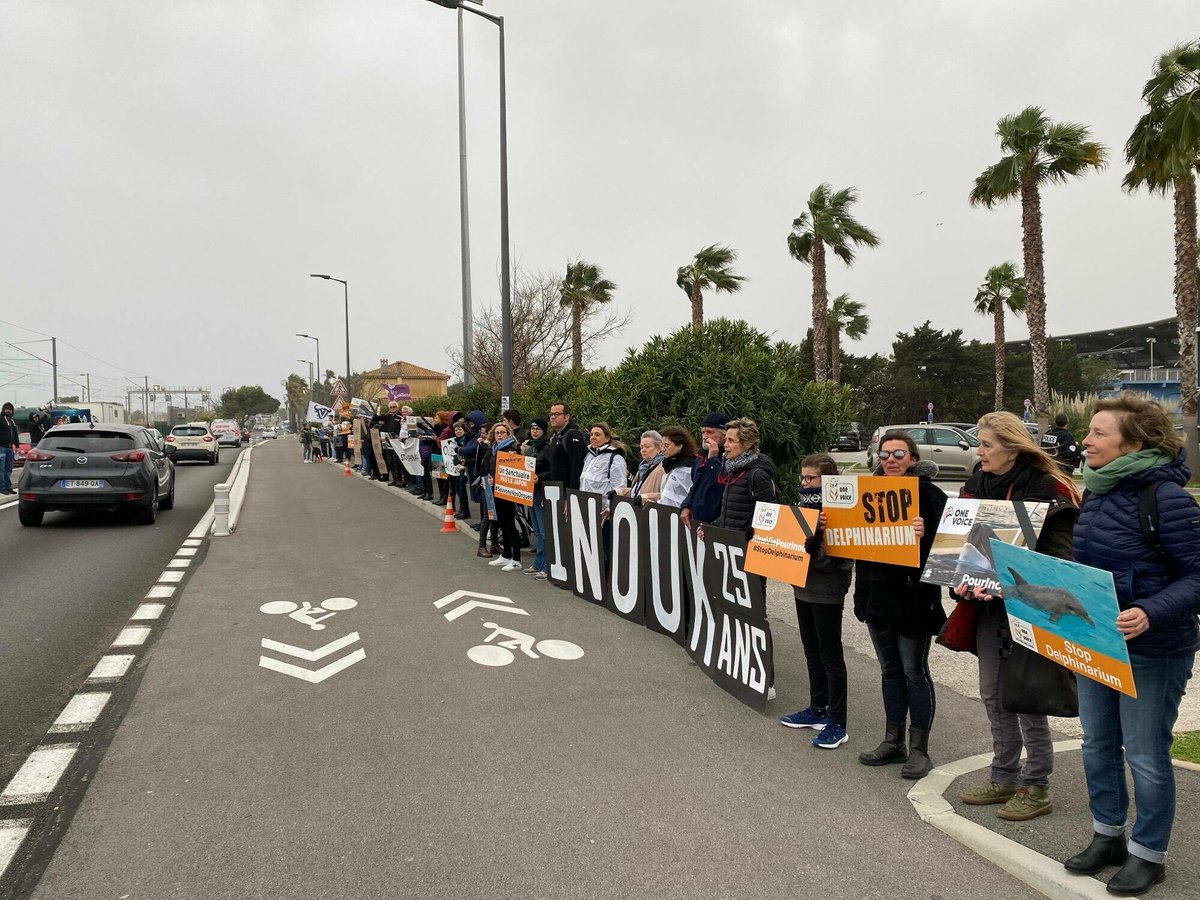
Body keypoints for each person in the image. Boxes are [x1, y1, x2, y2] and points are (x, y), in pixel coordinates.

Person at [1063, 394, 1200, 895]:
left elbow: (1197, 576)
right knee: (1097, 742)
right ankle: (1108, 835)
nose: (1086, 440)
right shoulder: (1097, 490)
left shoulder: (1166, 498)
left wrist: (1150, 611)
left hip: (1154, 649)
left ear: (1135, 442)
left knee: (1144, 753)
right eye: (1089, 431)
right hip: (1098, 638)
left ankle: (1148, 854)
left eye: (1099, 432)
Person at [953, 412, 1080, 821]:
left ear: (1011, 445)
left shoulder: (1048, 488)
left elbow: (1063, 557)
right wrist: (957, 577)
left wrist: (1016, 575)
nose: (979, 451)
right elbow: (956, 546)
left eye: (987, 444)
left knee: (1027, 697)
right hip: (987, 609)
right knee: (993, 694)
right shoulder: (977, 484)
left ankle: (1036, 784)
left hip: (1028, 608)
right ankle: (1004, 776)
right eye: (979, 443)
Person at [854, 430, 947, 780]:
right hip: (878, 597)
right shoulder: (866, 493)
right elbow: (856, 548)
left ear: (913, 458)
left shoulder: (929, 495)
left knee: (914, 671)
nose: (890, 459)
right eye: (885, 453)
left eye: (899, 454)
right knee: (890, 671)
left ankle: (920, 749)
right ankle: (893, 740)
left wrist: (927, 535)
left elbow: (948, 550)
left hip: (913, 599)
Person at [780, 453, 854, 750]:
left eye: (810, 478)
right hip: (803, 587)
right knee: (812, 651)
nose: (804, 483)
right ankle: (818, 708)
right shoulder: (801, 509)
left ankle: (838, 722)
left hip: (827, 592)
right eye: (802, 477)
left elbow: (840, 562)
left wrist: (817, 547)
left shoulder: (841, 511)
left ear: (827, 480)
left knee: (830, 655)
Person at [712, 418, 777, 533]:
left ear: (747, 444)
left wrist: (748, 533)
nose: (725, 445)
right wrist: (711, 528)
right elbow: (732, 515)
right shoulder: (733, 470)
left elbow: (769, 515)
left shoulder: (758, 475)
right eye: (726, 440)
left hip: (746, 546)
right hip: (731, 545)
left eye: (731, 440)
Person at [580, 422, 628, 563]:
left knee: (606, 549)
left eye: (598, 434)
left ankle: (607, 580)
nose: (593, 437)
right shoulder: (589, 456)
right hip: (588, 509)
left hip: (603, 514)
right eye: (592, 434)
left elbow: (619, 486)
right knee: (592, 547)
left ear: (607, 438)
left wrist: (609, 508)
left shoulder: (615, 458)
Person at [487, 423, 525, 571]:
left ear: (508, 434)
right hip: (496, 491)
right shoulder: (496, 449)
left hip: (507, 493)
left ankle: (516, 559)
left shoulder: (510, 450)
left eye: (503, 432)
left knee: (510, 525)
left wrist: (495, 479)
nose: (499, 435)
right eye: (497, 433)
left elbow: (511, 471)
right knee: (503, 524)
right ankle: (506, 554)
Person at [681, 412, 729, 527]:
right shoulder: (700, 456)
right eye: (703, 432)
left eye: (710, 432)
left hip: (716, 523)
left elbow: (720, 485)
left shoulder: (730, 457)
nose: (705, 436)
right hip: (696, 521)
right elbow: (695, 485)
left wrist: (713, 459)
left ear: (724, 435)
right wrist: (686, 505)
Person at [522, 418, 551, 578]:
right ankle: (538, 563)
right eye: (533, 428)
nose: (535, 431)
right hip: (530, 492)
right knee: (538, 531)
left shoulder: (548, 448)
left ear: (543, 431)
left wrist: (539, 477)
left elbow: (553, 471)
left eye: (538, 429)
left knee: (544, 531)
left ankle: (547, 566)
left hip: (541, 492)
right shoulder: (529, 449)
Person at [546, 401, 588, 489]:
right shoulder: (555, 436)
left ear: (567, 417)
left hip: (567, 493)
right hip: (556, 492)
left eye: (557, 414)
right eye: (551, 414)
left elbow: (577, 467)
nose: (553, 417)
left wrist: (571, 495)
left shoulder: (572, 435)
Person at [616, 431, 664, 502]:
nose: (643, 450)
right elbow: (636, 492)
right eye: (641, 447)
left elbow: (667, 496)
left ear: (659, 448)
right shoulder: (642, 468)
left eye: (647, 447)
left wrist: (645, 497)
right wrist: (618, 492)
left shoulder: (663, 468)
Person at [0, 402, 18, 495]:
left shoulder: (12, 421)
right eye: (7, 409)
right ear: (3, 409)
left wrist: (17, 446)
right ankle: (2, 487)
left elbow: (15, 435)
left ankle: (8, 486)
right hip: (1, 447)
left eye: (10, 409)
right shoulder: (0, 419)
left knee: (9, 469)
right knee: (1, 469)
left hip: (10, 448)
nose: (8, 411)